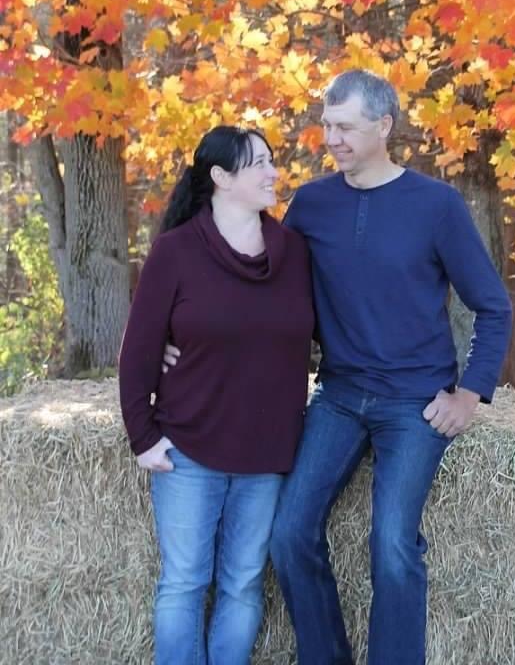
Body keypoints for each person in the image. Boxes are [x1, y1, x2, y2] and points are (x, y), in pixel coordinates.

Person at [166, 70, 513, 664]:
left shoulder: (437, 206)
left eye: (346, 127)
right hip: (339, 396)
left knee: (392, 545)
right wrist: (175, 338)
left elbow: (493, 306)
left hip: (415, 401)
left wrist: (471, 392)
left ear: (384, 126)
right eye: (327, 125)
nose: (332, 138)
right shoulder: (312, 204)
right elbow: (255, 282)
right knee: (288, 533)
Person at [118, 125, 314, 665]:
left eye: (272, 160)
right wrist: (143, 438)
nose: (273, 172)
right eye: (259, 163)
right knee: (184, 582)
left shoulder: (294, 252)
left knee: (243, 584)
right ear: (221, 177)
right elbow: (138, 352)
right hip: (188, 450)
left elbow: (324, 330)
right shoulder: (176, 252)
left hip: (268, 454)